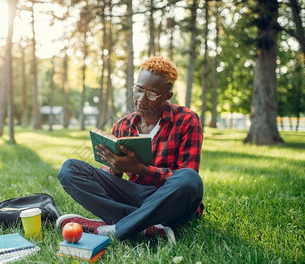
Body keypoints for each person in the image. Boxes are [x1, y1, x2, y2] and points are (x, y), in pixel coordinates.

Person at [56, 56, 204, 244]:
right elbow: (111, 179)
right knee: (70, 169)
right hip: (135, 196)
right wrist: (114, 167)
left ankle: (116, 228)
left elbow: (185, 177)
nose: (141, 99)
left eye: (151, 94)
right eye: (139, 90)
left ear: (167, 96)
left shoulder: (187, 120)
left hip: (169, 201)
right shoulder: (123, 125)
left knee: (190, 179)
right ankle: (148, 227)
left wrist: (140, 169)